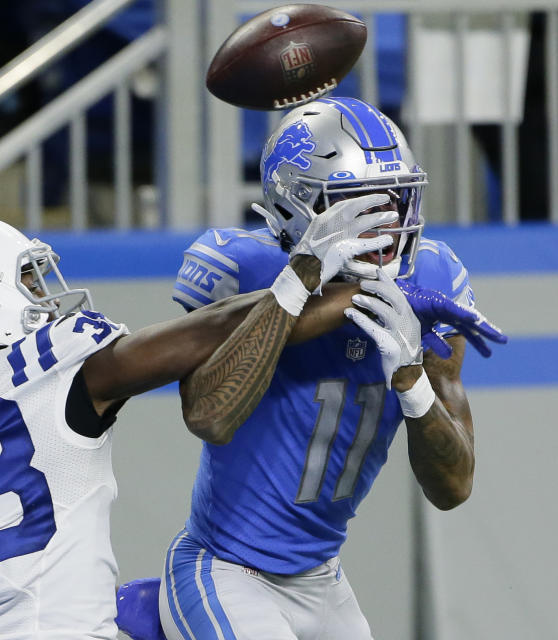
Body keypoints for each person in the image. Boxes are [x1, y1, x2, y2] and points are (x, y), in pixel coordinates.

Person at [0, 210, 398, 640]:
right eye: (27, 281)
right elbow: (207, 334)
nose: (44, 294)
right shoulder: (47, 371)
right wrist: (314, 281)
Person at [159, 97, 507, 640]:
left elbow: (453, 487)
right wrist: (303, 280)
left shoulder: (436, 272)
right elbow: (208, 415)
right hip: (226, 570)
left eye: (395, 201)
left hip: (323, 580)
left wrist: (412, 381)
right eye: (357, 206)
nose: (386, 227)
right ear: (300, 209)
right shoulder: (243, 266)